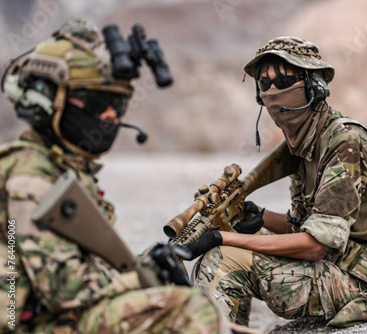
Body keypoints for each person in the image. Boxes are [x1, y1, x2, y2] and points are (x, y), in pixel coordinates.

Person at [0, 19, 235, 333]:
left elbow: (86, 269)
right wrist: (140, 276)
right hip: (33, 324)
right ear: (46, 101)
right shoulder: (29, 174)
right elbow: (64, 290)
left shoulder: (63, 167)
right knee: (190, 310)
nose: (111, 115)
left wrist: (145, 266)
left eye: (118, 104)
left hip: (60, 316)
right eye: (99, 103)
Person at [185, 36, 367, 328]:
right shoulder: (303, 145)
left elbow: (315, 246)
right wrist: (260, 216)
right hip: (334, 261)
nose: (273, 91)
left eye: (285, 80)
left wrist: (221, 237)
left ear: (314, 87)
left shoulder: (345, 142)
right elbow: (307, 227)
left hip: (360, 280)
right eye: (264, 84)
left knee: (221, 259)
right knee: (223, 252)